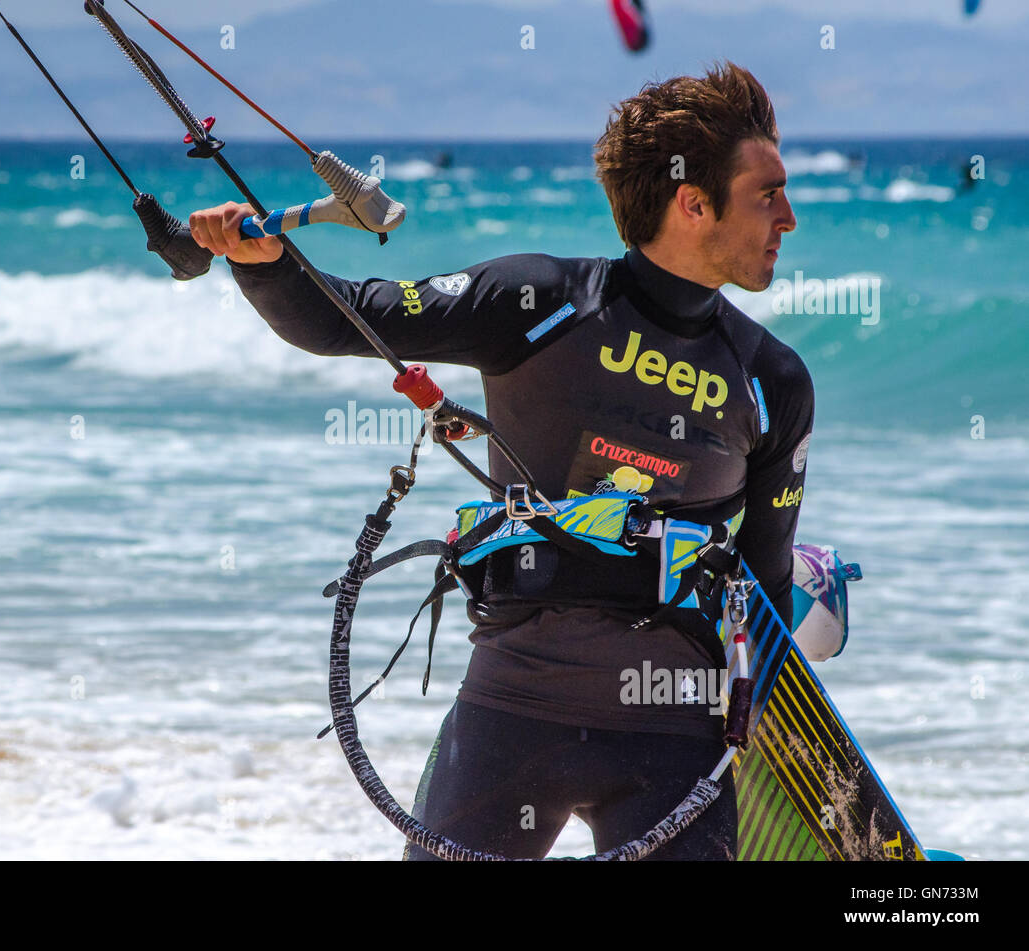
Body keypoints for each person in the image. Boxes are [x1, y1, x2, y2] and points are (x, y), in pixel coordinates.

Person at [191, 61, 809, 861]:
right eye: (769, 194)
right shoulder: (538, 300)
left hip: (675, 731)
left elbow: (768, 586)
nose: (788, 218)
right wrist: (262, 264)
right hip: (512, 712)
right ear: (694, 203)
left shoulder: (774, 381)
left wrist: (769, 743)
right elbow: (349, 318)